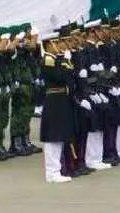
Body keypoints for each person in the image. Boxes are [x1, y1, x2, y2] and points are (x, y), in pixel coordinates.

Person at [39, 42, 75, 183]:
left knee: (59, 137)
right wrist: (66, 62)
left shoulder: (55, 59)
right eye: (57, 43)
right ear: (49, 45)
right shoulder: (49, 60)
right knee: (52, 138)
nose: (60, 46)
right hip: (54, 100)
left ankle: (56, 170)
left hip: (59, 100)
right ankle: (51, 172)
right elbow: (60, 77)